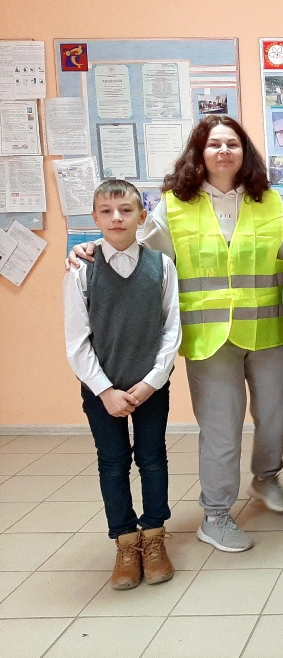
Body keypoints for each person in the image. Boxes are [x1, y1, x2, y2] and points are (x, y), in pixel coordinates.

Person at [69, 115, 283, 554]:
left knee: (275, 417)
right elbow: (137, 253)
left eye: (232, 143)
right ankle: (216, 514)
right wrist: (89, 248)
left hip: (267, 328)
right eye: (214, 144)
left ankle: (266, 477)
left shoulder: (269, 202)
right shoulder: (174, 205)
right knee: (221, 429)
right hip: (208, 336)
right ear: (200, 152)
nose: (224, 151)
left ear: (245, 152)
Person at [64, 179, 181, 590]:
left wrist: (152, 382)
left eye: (126, 210)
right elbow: (77, 341)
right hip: (103, 392)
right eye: (107, 211)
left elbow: (171, 329)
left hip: (150, 387)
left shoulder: (161, 265)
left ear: (141, 216)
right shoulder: (81, 268)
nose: (117, 218)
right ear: (95, 218)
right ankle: (125, 542)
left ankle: (154, 537)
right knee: (113, 463)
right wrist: (104, 390)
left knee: (152, 459)